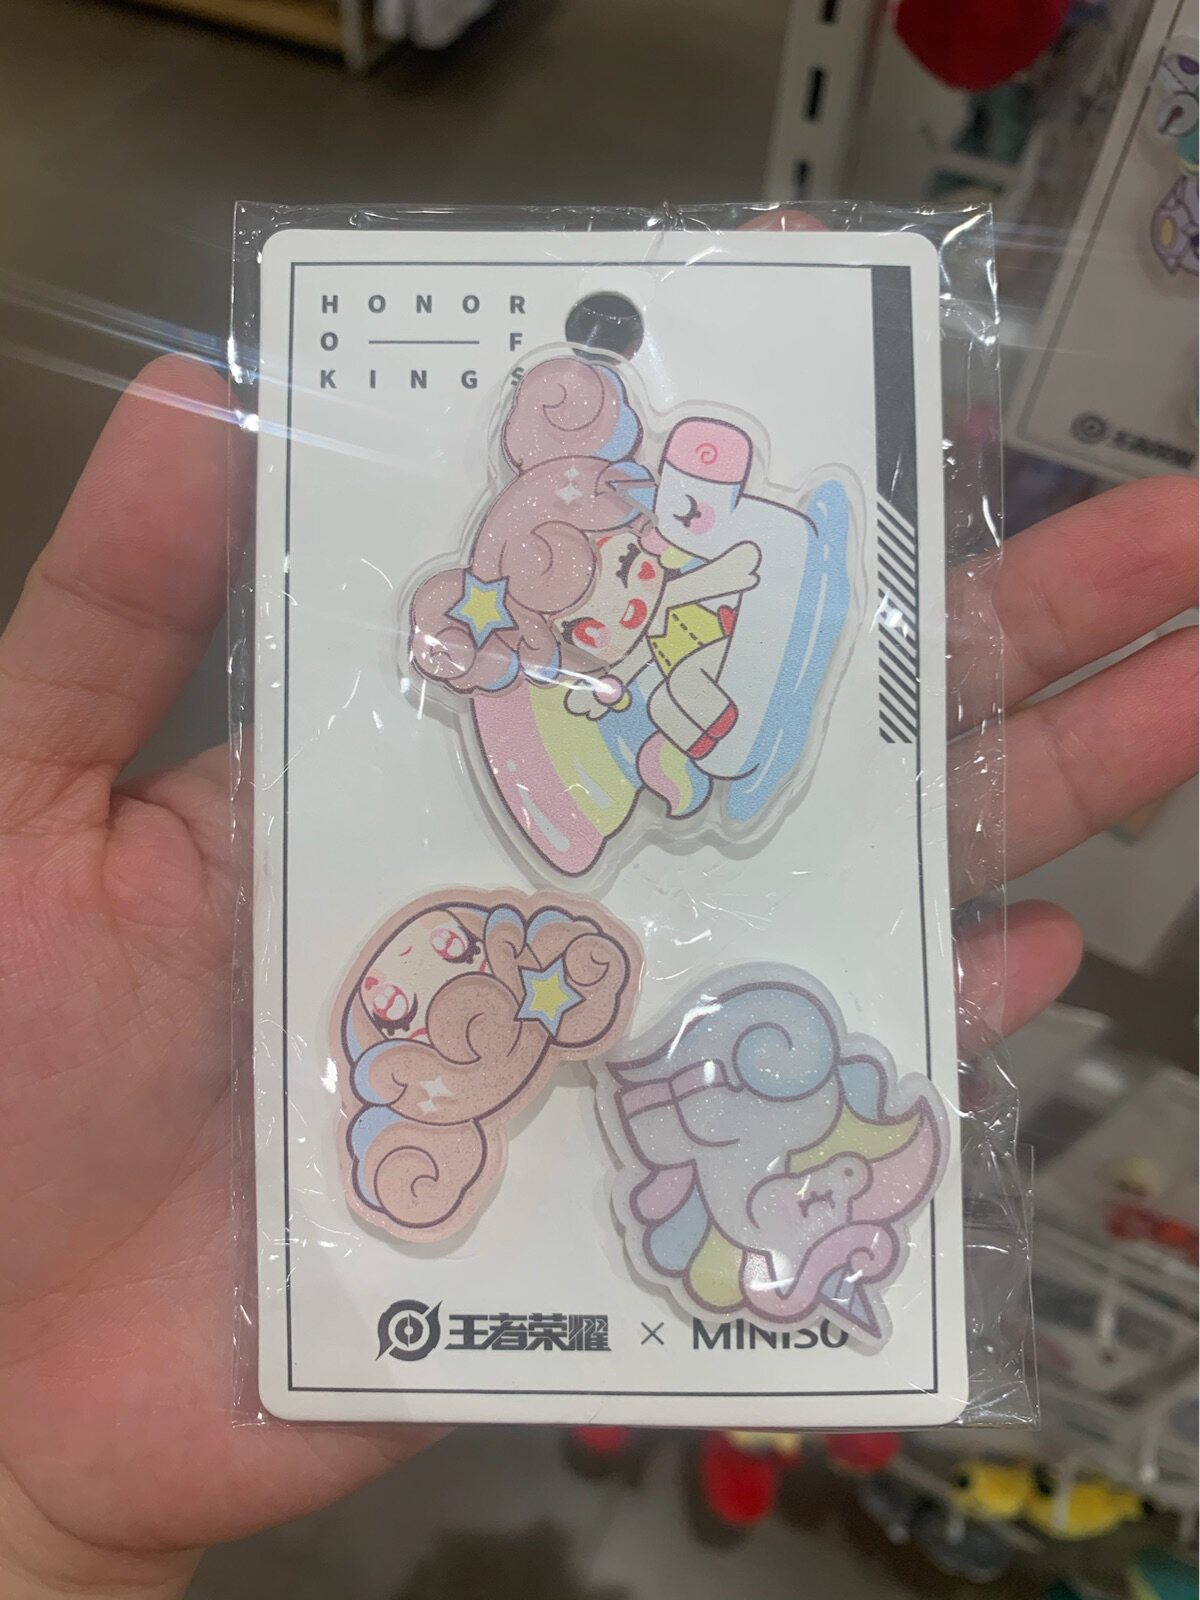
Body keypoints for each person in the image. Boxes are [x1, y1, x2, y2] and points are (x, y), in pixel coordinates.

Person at [0, 356, 1193, 1599]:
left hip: (652, 857)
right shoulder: (583, 710)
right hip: (596, 874)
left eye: (632, 558)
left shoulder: (648, 612)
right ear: (566, 638)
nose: (639, 578)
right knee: (687, 776)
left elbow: (700, 608)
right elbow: (648, 757)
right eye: (617, 583)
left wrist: (734, 581)